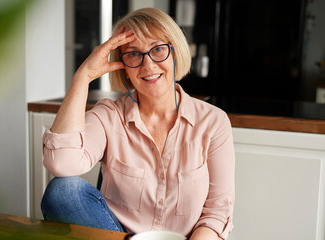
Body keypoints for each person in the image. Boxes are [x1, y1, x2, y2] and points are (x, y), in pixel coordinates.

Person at [41, 8, 235, 240]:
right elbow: (61, 164)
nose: (148, 64)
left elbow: (217, 213)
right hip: (117, 236)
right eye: (133, 54)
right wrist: (83, 76)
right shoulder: (109, 115)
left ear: (175, 52)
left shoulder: (213, 122)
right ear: (122, 65)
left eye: (158, 49)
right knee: (62, 191)